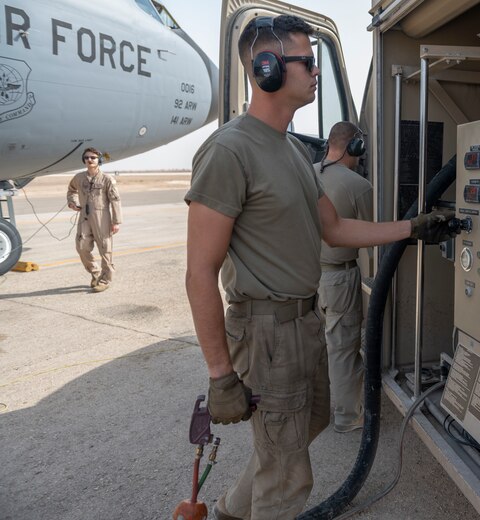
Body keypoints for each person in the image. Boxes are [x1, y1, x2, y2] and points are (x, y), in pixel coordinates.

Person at [184, 15, 454, 520]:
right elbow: (199, 272)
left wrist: (411, 229)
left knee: (302, 430)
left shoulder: (291, 152)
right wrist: (221, 374)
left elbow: (333, 229)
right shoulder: (228, 151)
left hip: (306, 320)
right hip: (265, 331)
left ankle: (230, 511)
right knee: (288, 475)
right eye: (306, 62)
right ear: (266, 70)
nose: (314, 72)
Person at [314, 121, 372, 434]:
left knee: (316, 345)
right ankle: (349, 417)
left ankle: (316, 410)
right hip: (339, 279)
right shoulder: (358, 185)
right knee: (344, 347)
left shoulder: (305, 173)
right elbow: (370, 232)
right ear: (356, 147)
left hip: (306, 277)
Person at [66, 147, 122, 292]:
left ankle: (105, 280)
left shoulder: (107, 179)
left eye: (93, 157)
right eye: (86, 158)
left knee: (105, 249)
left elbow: (115, 200)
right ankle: (96, 273)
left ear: (99, 160)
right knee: (82, 246)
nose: (89, 160)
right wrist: (72, 201)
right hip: (84, 217)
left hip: (101, 217)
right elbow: (71, 190)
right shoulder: (79, 178)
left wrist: (116, 221)